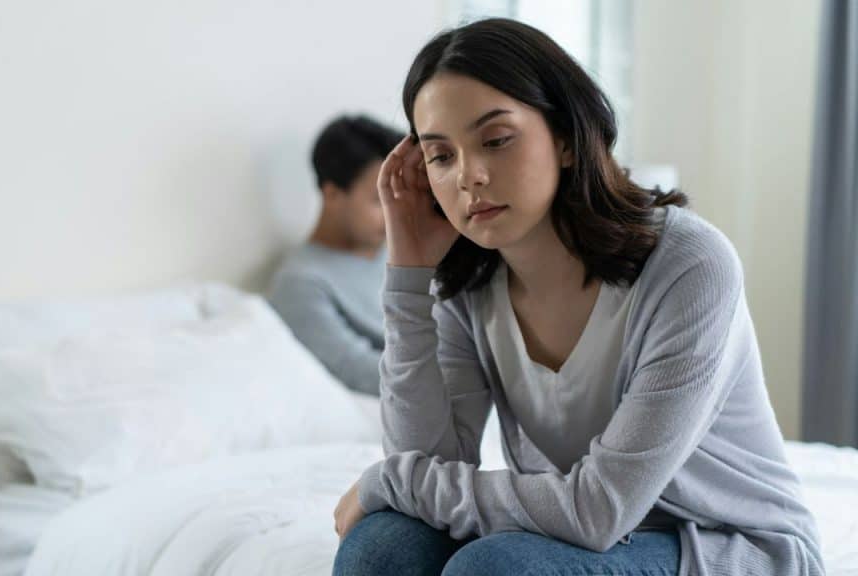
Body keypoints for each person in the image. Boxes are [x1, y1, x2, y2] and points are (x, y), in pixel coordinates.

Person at [332, 18, 823, 576]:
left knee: (494, 568)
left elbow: (598, 510)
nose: (470, 176)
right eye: (441, 156)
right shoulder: (467, 286)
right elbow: (430, 467)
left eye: (495, 140)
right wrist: (407, 274)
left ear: (565, 139)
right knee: (385, 542)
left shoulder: (689, 266)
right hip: (583, 535)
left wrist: (389, 479)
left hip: (726, 545)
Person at [268, 115, 404, 396]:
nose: (397, 213)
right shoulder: (300, 284)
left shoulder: (403, 251)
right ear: (332, 195)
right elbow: (356, 370)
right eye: (379, 200)